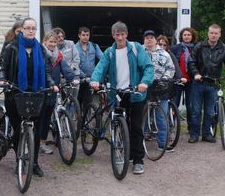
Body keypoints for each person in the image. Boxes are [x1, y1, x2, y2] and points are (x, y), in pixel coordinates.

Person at [90, 21, 154, 174]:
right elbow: (100, 67)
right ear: (113, 35)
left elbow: (148, 67)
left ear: (126, 34)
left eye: (122, 34)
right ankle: (123, 151)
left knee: (136, 127)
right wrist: (95, 79)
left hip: (135, 93)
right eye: (117, 34)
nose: (119, 37)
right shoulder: (110, 52)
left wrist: (144, 82)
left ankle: (138, 159)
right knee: (119, 124)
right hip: (117, 93)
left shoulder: (136, 48)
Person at [0, 18, 57, 177]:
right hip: (15, 93)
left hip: (38, 93)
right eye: (28, 28)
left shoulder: (41, 49)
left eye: (33, 28)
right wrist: (2, 80)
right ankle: (19, 160)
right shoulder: (12, 47)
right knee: (18, 128)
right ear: (22, 30)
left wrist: (51, 83)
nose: (31, 31)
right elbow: (3, 67)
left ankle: (34, 162)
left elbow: (46, 71)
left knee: (36, 131)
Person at [187, 24, 225, 143]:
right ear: (208, 33)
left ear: (220, 34)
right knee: (195, 110)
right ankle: (194, 135)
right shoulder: (199, 46)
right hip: (199, 82)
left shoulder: (224, 48)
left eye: (216, 33)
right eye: (211, 33)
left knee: (210, 111)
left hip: (213, 83)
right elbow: (191, 62)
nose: (213, 35)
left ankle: (206, 134)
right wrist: (195, 73)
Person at [40, 31, 78, 154]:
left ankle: (42, 142)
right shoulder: (41, 54)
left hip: (53, 90)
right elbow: (44, 72)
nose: (52, 44)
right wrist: (51, 84)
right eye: (50, 41)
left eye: (54, 42)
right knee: (40, 118)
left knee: (46, 119)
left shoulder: (58, 55)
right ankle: (34, 142)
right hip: (43, 89)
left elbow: (65, 68)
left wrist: (73, 78)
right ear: (45, 41)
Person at [144, 31, 175, 151]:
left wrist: (165, 79)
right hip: (144, 88)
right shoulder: (139, 53)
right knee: (141, 115)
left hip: (161, 89)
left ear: (155, 40)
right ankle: (139, 142)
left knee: (161, 116)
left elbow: (171, 68)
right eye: (147, 38)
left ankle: (163, 143)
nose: (149, 40)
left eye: (151, 38)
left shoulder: (164, 54)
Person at [170, 27, 198, 131]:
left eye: (189, 35)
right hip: (178, 80)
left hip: (191, 81)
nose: (186, 37)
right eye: (185, 35)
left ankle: (191, 129)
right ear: (181, 36)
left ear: (192, 36)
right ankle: (171, 127)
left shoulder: (196, 48)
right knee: (174, 104)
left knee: (190, 106)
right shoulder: (175, 48)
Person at [75, 27, 103, 110]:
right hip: (78, 79)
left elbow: (103, 59)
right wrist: (83, 76)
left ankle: (87, 121)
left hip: (90, 79)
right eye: (83, 35)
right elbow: (74, 65)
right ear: (79, 35)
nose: (85, 37)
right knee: (77, 103)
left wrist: (98, 74)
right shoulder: (74, 48)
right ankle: (78, 121)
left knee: (88, 103)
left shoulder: (94, 46)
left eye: (87, 35)